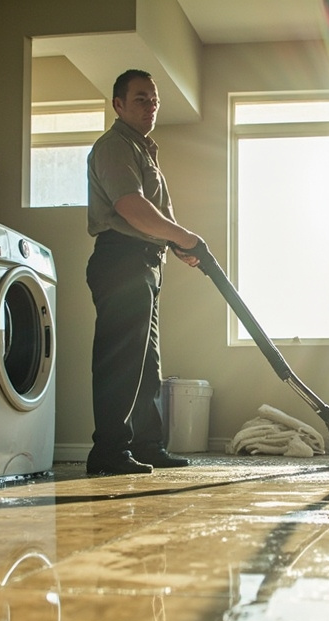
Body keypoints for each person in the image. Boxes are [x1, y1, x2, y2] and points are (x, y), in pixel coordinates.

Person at [84, 69, 203, 475]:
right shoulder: (114, 146)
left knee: (146, 361)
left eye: (154, 100)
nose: (150, 106)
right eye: (140, 99)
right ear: (118, 104)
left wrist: (175, 244)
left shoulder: (142, 149)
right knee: (122, 360)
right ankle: (109, 452)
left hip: (145, 261)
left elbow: (150, 218)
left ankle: (147, 445)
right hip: (121, 260)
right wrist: (182, 235)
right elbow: (131, 208)